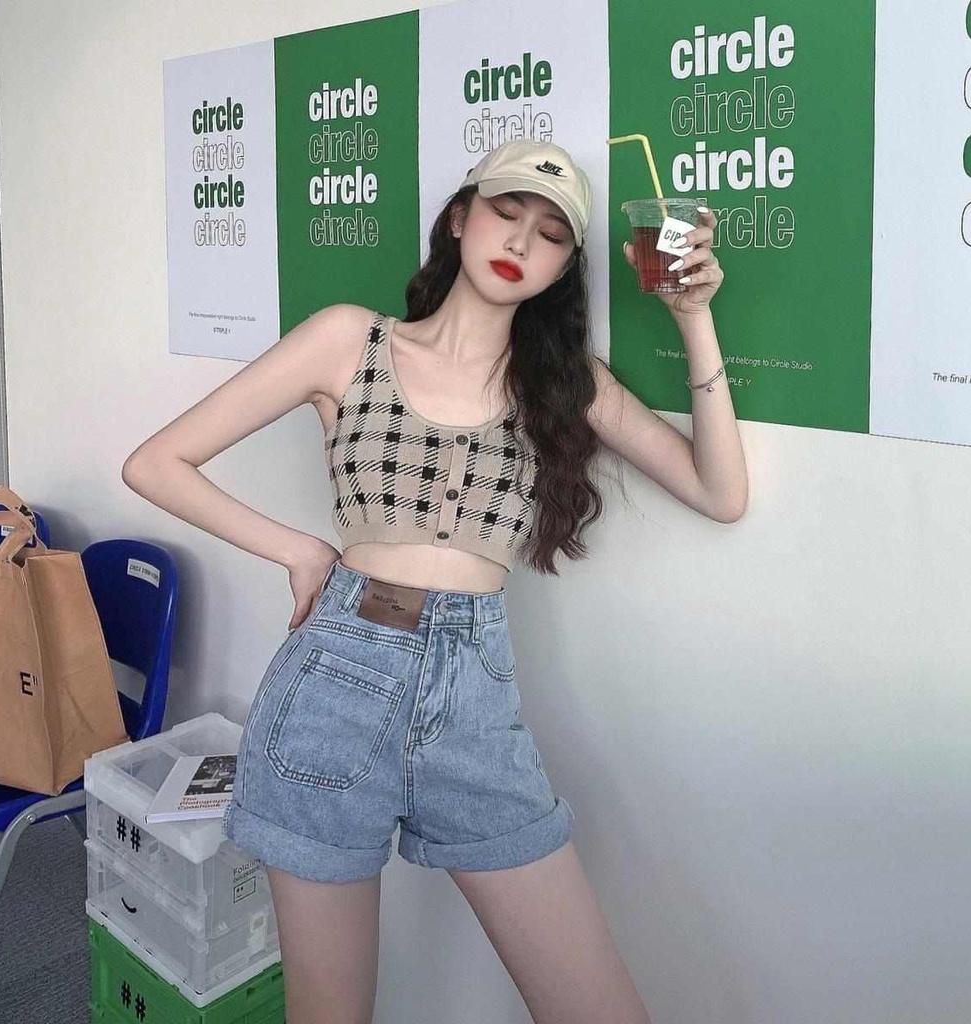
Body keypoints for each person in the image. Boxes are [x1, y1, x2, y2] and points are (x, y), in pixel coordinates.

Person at [122, 137, 747, 1024]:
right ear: (459, 218)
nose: (521, 241)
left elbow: (721, 494)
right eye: (505, 212)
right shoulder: (350, 339)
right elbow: (155, 463)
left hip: (474, 703)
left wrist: (693, 318)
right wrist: (299, 550)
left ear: (563, 267)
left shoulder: (564, 383)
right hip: (332, 689)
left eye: (551, 234)